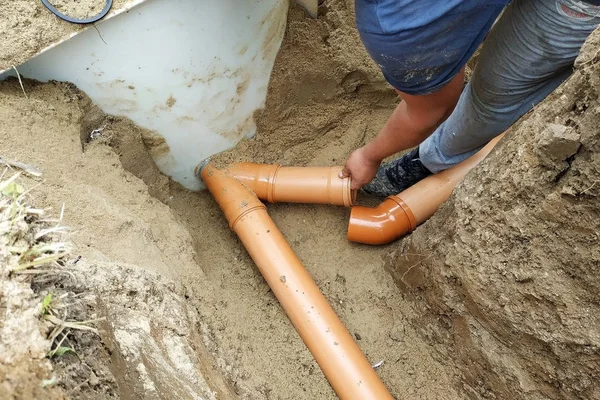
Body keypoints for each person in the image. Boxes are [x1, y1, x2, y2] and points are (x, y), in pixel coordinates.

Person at [340, 0, 600, 196]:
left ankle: (431, 160)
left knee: (492, 100)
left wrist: (368, 157)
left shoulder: (393, 25)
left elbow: (431, 112)